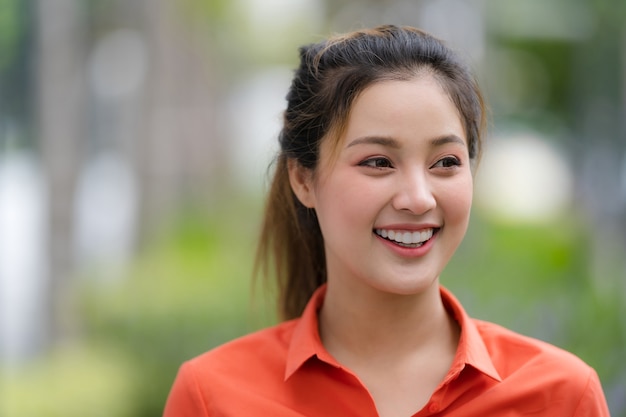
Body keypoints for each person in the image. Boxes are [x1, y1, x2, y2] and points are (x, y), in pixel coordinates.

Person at [163, 25, 610, 416]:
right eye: (378, 161)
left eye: (446, 162)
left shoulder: (562, 396)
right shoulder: (212, 397)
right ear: (303, 178)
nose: (417, 198)